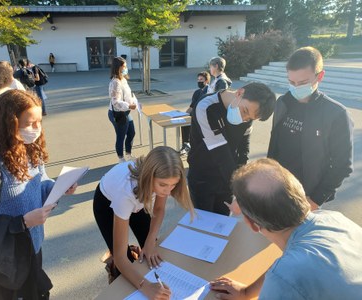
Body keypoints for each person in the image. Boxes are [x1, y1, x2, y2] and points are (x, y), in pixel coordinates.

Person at [0, 90, 77, 298]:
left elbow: (41, 184)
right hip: (4, 261)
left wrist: (57, 188)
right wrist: (22, 222)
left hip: (32, 248)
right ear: (9, 123)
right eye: (29, 123)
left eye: (39, 122)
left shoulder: (31, 151)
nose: (36, 129)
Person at [211, 158, 362, 299]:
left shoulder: (285, 277)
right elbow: (284, 267)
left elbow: (284, 275)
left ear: (251, 223)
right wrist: (247, 292)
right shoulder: (332, 218)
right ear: (300, 192)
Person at [93, 146, 194, 299]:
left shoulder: (162, 179)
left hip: (139, 198)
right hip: (107, 204)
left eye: (173, 185)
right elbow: (121, 258)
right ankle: (116, 274)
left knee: (151, 250)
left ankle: (139, 258)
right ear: (149, 177)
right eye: (163, 185)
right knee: (123, 261)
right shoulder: (125, 193)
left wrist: (150, 241)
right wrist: (145, 286)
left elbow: (159, 209)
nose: (168, 192)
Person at [267, 46, 353, 210]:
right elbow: (275, 146)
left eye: (303, 82)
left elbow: (342, 165)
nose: (296, 87)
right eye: (291, 82)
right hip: (278, 189)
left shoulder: (336, 114)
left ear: (320, 76)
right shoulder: (283, 103)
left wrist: (315, 200)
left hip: (309, 196)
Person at [187, 82, 276, 215]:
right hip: (202, 177)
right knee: (204, 224)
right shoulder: (206, 107)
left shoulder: (248, 117)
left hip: (227, 179)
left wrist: (239, 178)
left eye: (250, 118)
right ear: (239, 93)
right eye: (244, 111)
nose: (244, 118)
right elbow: (220, 154)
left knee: (222, 224)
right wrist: (241, 193)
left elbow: (243, 149)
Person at [108, 56, 137, 163]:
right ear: (118, 67)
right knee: (121, 135)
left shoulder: (123, 79)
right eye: (124, 66)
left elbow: (127, 95)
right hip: (118, 113)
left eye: (126, 66)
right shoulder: (115, 82)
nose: (126, 68)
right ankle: (121, 158)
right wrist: (129, 106)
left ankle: (128, 155)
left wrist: (133, 101)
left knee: (131, 133)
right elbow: (115, 102)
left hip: (125, 112)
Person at [178, 71, 210, 156]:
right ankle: (186, 145)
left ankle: (194, 148)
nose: (199, 81)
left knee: (193, 128)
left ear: (206, 81)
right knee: (184, 123)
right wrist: (183, 115)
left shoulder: (209, 92)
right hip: (194, 114)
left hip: (203, 116)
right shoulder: (197, 92)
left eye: (201, 79)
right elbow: (191, 107)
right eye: (198, 79)